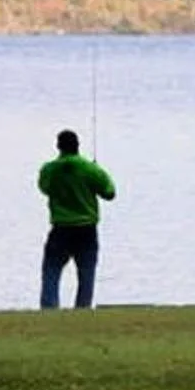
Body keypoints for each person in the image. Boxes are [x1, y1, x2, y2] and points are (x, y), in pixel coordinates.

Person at [38, 128, 116, 309]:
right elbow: (110, 193)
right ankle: (82, 310)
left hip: (61, 227)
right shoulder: (89, 168)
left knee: (51, 271)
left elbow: (44, 188)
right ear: (77, 146)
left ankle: (49, 310)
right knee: (86, 274)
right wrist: (98, 171)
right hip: (86, 228)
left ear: (58, 146)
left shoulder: (49, 169)